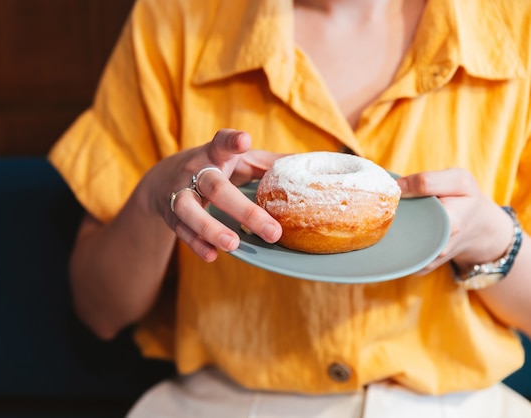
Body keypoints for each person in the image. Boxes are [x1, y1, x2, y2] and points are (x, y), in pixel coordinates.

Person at [48, 0, 531, 416]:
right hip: (230, 403)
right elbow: (98, 311)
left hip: (454, 405)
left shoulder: (514, 24)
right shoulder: (177, 18)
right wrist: (154, 197)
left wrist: (496, 240)